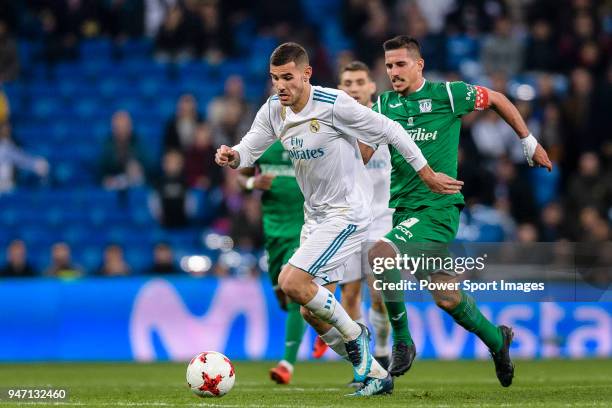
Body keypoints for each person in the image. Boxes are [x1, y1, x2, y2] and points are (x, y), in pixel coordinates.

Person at [215, 42, 462, 396]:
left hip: (346, 212)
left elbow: (390, 130)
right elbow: (249, 149)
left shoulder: (333, 105)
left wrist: (426, 173)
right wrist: (231, 155)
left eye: (288, 77)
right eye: (274, 79)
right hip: (315, 217)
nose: (281, 86)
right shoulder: (274, 110)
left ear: (306, 74)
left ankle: (358, 336)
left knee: (292, 281)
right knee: (310, 312)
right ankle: (375, 372)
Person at [367, 35, 552, 386]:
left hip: (438, 210)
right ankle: (499, 341)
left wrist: (528, 141)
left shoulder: (448, 95)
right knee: (447, 296)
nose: (393, 71)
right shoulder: (383, 106)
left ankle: (402, 341)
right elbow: (361, 153)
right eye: (389, 66)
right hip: (405, 213)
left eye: (401, 63)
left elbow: (496, 98)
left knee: (380, 255)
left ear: (419, 64)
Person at [312, 61, 392, 387]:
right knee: (348, 298)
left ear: (372, 87)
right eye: (348, 83)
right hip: (348, 218)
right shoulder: (333, 125)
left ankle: (384, 351)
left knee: (380, 291)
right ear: (340, 89)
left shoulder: (386, 121)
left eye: (360, 81)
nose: (355, 87)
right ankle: (366, 364)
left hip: (383, 218)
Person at [237, 136, 306, 384]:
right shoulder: (262, 142)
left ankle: (287, 363)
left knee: (294, 293)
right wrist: (253, 182)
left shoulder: (308, 138)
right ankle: (319, 319)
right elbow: (239, 178)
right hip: (273, 232)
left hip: (303, 229)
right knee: (281, 295)